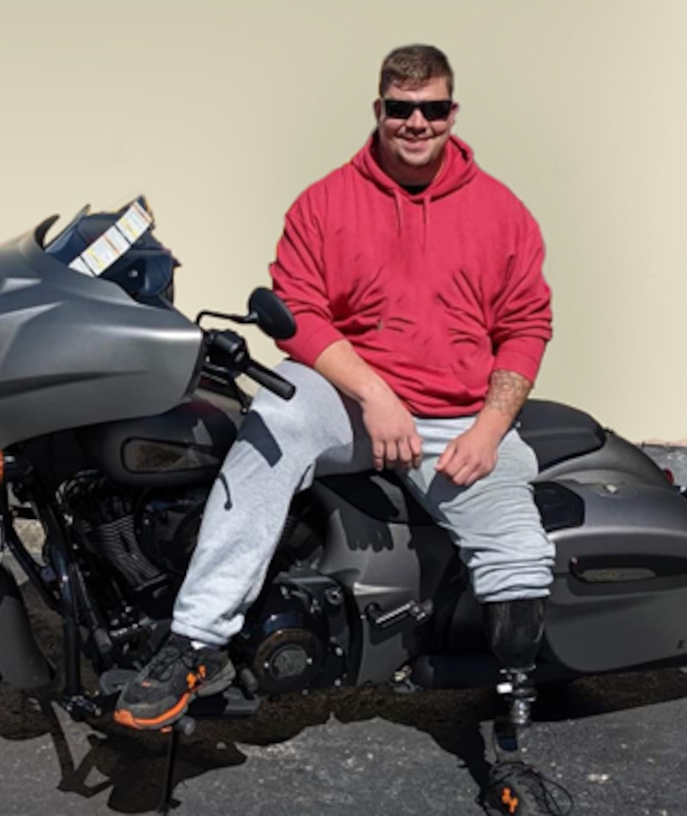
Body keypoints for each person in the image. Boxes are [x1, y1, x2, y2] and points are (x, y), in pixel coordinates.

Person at [114, 45, 555, 749]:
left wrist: (491, 427)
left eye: (432, 109)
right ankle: (195, 642)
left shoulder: (503, 213)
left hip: (457, 417)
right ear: (380, 111)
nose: (417, 123)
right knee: (274, 422)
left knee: (519, 557)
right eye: (402, 109)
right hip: (351, 399)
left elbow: (526, 326)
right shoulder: (325, 202)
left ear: (452, 113)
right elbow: (301, 312)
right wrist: (376, 395)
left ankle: (512, 730)